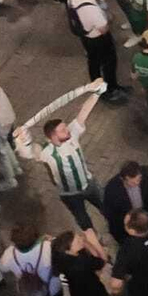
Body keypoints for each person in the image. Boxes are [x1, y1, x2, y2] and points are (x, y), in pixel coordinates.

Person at [13, 79, 109, 230]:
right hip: (70, 195)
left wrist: (96, 94)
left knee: (108, 209)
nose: (68, 130)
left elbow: (82, 113)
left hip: (89, 184)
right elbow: (30, 151)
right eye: (63, 130)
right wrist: (23, 140)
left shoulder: (73, 135)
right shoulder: (46, 152)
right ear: (53, 136)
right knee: (84, 223)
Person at [102, 160, 148, 247]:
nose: (136, 183)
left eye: (139, 179)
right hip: (129, 227)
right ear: (124, 178)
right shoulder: (112, 189)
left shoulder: (147, 173)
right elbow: (110, 215)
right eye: (132, 182)